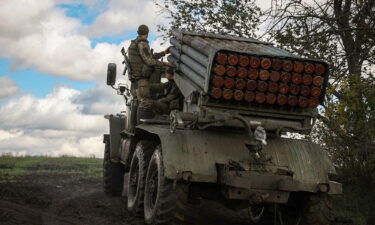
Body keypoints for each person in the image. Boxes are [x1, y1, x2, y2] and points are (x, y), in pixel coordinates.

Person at [127, 24, 174, 120]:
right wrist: (165, 64)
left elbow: (148, 57)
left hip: (137, 78)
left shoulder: (134, 43)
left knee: (138, 102)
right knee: (145, 103)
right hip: (142, 78)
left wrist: (163, 53)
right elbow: (149, 61)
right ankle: (140, 128)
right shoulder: (142, 43)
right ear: (147, 33)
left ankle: (134, 128)